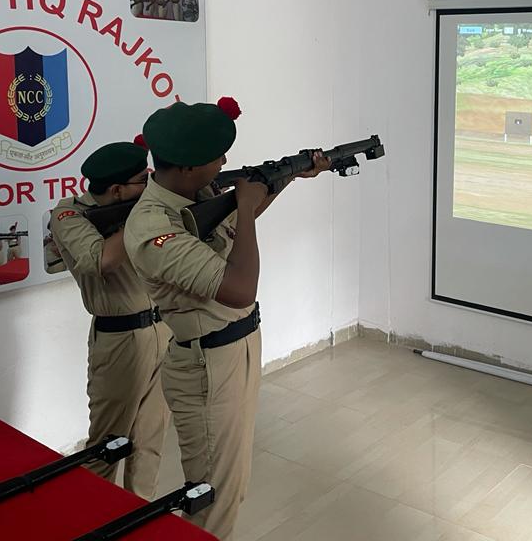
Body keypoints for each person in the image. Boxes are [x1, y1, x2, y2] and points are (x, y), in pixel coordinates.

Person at [124, 98, 329, 539]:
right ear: (187, 167)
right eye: (217, 155)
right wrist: (248, 206)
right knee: (214, 495)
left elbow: (238, 224)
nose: (225, 161)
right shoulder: (151, 225)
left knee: (230, 486)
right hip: (207, 365)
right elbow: (239, 290)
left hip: (234, 350)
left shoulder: (197, 195)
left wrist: (290, 175)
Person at [49, 141, 170, 499]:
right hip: (120, 340)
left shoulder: (140, 206)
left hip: (163, 329)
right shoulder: (68, 213)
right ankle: (94, 518)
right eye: (141, 180)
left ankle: (138, 519)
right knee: (107, 445)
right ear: (117, 190)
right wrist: (147, 212)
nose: (149, 184)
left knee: (150, 440)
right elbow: (98, 260)